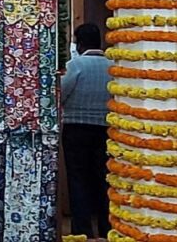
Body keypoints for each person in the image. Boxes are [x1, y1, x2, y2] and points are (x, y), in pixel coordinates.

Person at [61, 23, 112, 239]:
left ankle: (82, 230)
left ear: (79, 43)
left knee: (78, 179)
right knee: (104, 179)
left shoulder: (76, 65)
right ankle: (106, 228)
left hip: (76, 129)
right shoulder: (113, 66)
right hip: (105, 129)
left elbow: (61, 93)